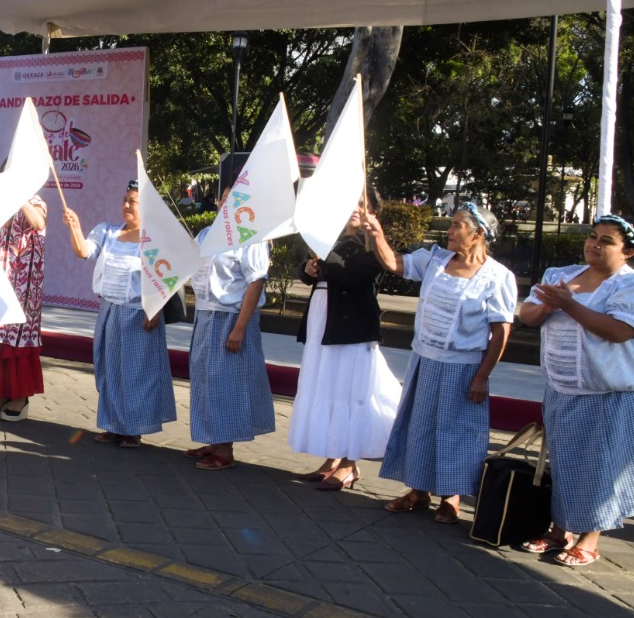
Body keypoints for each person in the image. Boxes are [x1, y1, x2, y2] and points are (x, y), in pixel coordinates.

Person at [517, 215, 634, 566]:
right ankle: (560, 530)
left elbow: (619, 331)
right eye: (592, 236)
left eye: (606, 240)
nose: (594, 244)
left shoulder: (633, 286)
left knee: (599, 464)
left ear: (628, 251)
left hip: (608, 391)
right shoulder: (562, 274)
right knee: (565, 460)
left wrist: (569, 305)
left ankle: (591, 536)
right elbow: (528, 315)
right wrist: (548, 304)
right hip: (563, 386)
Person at [369, 202, 517, 523]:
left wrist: (482, 376)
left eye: (457, 226)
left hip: (463, 367)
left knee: (455, 431)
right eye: (450, 225)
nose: (449, 231)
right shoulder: (435, 259)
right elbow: (395, 263)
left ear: (478, 234)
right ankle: (418, 491)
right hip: (426, 359)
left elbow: (501, 331)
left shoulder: (497, 277)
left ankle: (451, 497)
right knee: (419, 425)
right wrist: (377, 233)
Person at [288, 202, 401, 491]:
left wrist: (324, 259)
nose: (355, 209)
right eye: (351, 203)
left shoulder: (371, 245)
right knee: (327, 386)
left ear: (373, 211)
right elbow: (307, 274)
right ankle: (332, 458)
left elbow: (355, 276)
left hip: (351, 327)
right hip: (323, 323)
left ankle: (350, 463)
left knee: (351, 392)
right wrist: (309, 268)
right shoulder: (332, 239)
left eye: (362, 204)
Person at [61, 181, 177, 448]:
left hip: (138, 313)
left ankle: (132, 429)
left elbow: (166, 277)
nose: (126, 205)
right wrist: (75, 226)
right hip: (109, 309)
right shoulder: (108, 231)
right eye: (125, 199)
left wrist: (155, 309)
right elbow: (83, 251)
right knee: (108, 368)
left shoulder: (155, 238)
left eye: (133, 201)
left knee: (135, 372)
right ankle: (112, 424)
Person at [187, 160, 275, 470]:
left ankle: (225, 450)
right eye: (225, 198)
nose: (227, 203)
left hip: (230, 318)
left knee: (226, 382)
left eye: (235, 199)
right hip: (206, 315)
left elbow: (255, 283)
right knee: (204, 379)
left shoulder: (250, 237)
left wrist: (239, 328)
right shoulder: (207, 234)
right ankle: (212, 438)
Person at [0, 194, 48, 422]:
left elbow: (38, 223)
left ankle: (21, 397)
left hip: (24, 286)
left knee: (18, 339)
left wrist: (19, 196)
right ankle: (1, 393)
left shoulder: (36, 202)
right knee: (0, 338)